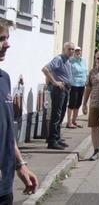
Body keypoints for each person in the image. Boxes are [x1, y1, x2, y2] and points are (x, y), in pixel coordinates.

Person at [0, 20, 38, 203]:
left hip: (5, 185)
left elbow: (7, 130)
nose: (7, 44)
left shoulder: (4, 78)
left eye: (7, 38)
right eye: (1, 39)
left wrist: (20, 165)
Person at [42, 42, 75, 149]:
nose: (72, 51)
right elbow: (45, 69)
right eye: (69, 49)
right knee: (56, 115)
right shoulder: (59, 59)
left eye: (73, 49)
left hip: (66, 89)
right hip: (59, 89)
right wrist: (55, 82)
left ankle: (57, 138)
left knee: (61, 115)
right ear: (64, 49)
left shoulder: (68, 60)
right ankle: (52, 140)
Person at [66, 46, 87, 129]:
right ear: (74, 52)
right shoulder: (71, 61)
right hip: (74, 84)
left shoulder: (83, 61)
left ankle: (74, 121)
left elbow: (86, 71)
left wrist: (87, 80)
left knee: (78, 103)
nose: (78, 52)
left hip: (82, 84)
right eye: (76, 51)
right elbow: (68, 72)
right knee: (72, 103)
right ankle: (69, 122)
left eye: (79, 51)